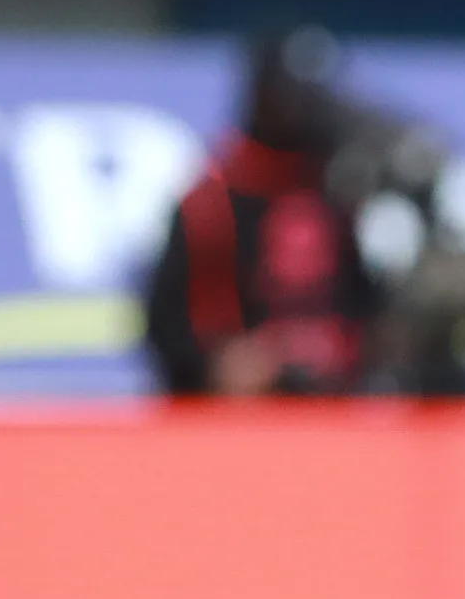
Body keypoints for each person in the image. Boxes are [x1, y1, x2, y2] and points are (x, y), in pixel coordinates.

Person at [142, 26, 383, 397]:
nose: (304, 111)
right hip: (237, 410)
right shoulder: (212, 202)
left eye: (315, 98)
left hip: (341, 403)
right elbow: (166, 324)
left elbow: (378, 307)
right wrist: (217, 363)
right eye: (292, 97)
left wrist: (340, 352)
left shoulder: (351, 188)